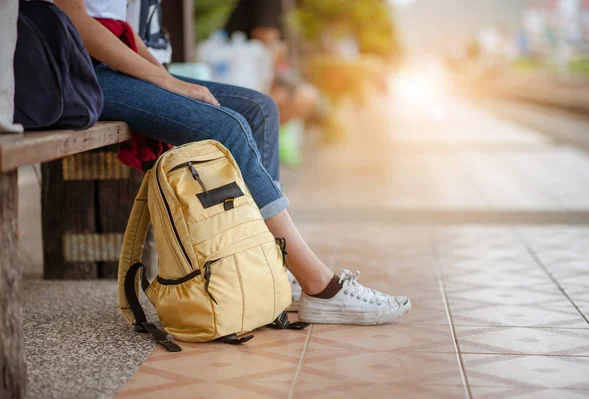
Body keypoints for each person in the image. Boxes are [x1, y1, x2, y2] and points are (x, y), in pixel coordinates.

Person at [54, 0, 411, 325]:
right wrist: (164, 81)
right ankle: (318, 284)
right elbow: (72, 18)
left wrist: (170, 80)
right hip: (74, 68)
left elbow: (123, 29)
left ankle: (271, 262)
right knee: (229, 126)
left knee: (259, 109)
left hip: (119, 64)